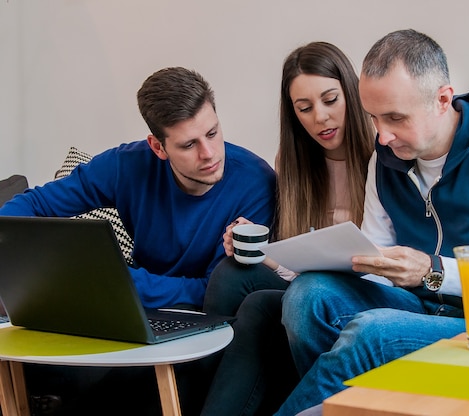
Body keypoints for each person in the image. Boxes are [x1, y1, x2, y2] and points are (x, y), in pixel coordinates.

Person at [275, 29, 469, 415]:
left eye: (396, 117)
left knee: (374, 333)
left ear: (442, 99)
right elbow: (377, 264)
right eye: (373, 118)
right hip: (426, 312)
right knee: (306, 297)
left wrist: (432, 272)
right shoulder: (384, 162)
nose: (381, 136)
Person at [0, 67, 276, 414]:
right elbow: (31, 205)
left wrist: (120, 282)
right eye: (189, 144)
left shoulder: (255, 181)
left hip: (205, 321)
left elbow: (217, 289)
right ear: (158, 147)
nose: (209, 154)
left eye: (212, 132)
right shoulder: (125, 164)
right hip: (134, 309)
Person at [200, 41, 375, 415]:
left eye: (330, 100)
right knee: (231, 273)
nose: (320, 118)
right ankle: (201, 396)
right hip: (309, 284)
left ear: (352, 93)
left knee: (260, 306)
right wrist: (263, 251)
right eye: (305, 108)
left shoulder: (381, 152)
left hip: (365, 287)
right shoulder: (293, 162)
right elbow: (296, 270)